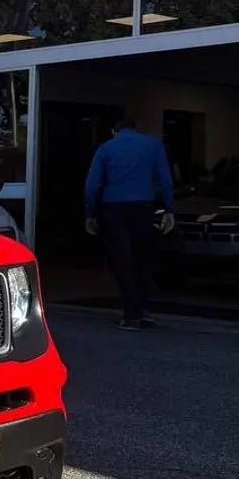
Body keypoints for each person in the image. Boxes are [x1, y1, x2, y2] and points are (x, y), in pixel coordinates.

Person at [83, 118, 176, 331]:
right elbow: (164, 178)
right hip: (144, 207)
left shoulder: (106, 148)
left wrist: (90, 214)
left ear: (114, 131)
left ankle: (130, 315)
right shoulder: (153, 145)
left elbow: (92, 184)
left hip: (114, 208)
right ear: (135, 128)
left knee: (123, 260)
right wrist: (169, 209)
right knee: (142, 258)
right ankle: (144, 311)